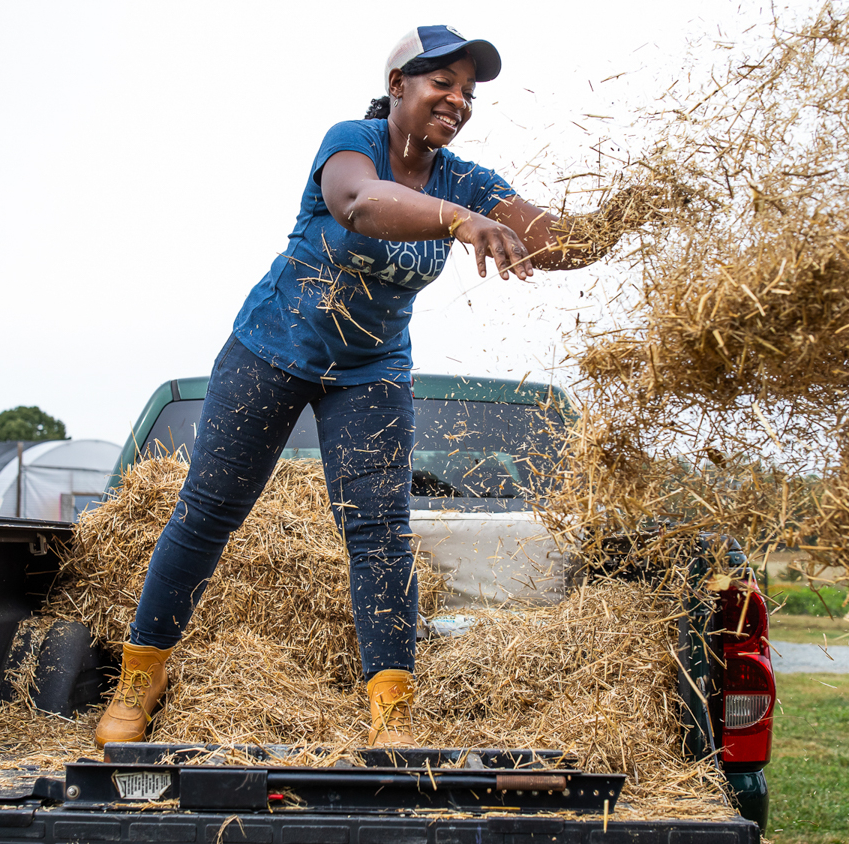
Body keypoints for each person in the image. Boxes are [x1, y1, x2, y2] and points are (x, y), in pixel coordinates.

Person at [96, 25, 641, 749]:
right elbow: (357, 204)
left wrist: (622, 222)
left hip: (371, 369)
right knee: (207, 513)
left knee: (380, 536)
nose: (457, 102)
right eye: (441, 84)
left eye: (468, 93)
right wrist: (459, 221)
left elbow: (548, 236)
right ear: (398, 88)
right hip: (271, 349)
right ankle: (142, 675)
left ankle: (392, 709)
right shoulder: (350, 142)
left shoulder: (466, 180)